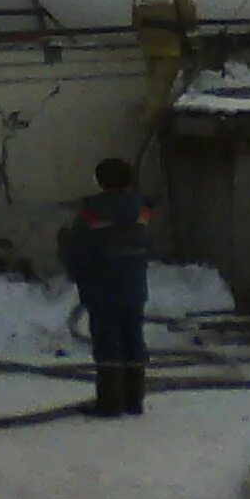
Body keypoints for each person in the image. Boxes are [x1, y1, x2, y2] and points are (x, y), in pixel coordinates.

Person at [61, 158, 153, 417]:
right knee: (133, 338)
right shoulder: (142, 210)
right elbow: (147, 244)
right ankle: (134, 400)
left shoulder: (93, 213)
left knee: (107, 342)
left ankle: (110, 402)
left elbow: (77, 253)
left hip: (102, 288)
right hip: (135, 286)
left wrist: (78, 274)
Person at [131, 0, 199, 120]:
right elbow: (189, 18)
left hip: (147, 45)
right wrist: (194, 45)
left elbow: (135, 21)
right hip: (170, 45)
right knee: (163, 84)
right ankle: (153, 122)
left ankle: (152, 113)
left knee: (153, 80)